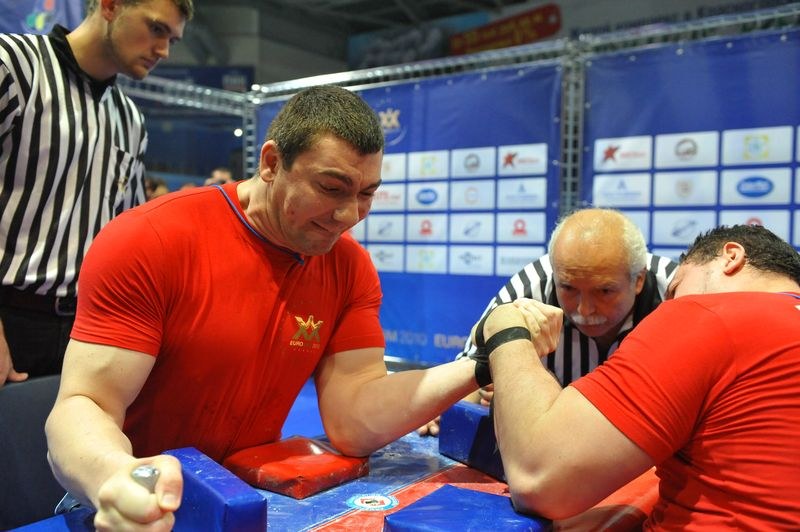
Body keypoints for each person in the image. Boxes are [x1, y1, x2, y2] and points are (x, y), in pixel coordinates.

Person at [45, 85, 481, 530]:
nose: (350, 214)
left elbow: (355, 418)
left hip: (248, 502)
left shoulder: (348, 266)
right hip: (126, 507)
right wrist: (115, 477)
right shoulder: (150, 240)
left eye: (367, 193)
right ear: (272, 163)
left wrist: (478, 364)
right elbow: (84, 404)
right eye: (332, 188)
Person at [481, 224, 800, 527]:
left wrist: (506, 328)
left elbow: (538, 480)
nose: (672, 302)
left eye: (675, 289)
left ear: (731, 257)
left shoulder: (710, 314)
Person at [0, 0, 193, 387]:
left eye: (172, 39)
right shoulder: (13, 64)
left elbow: (129, 239)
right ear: (109, 6)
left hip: (86, 330)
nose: (164, 51)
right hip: (9, 315)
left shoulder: (131, 120)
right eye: (156, 29)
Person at [419, 208, 677, 435]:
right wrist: (443, 406)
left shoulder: (678, 295)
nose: (584, 310)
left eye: (604, 291)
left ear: (639, 279)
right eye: (568, 287)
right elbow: (472, 371)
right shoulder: (527, 289)